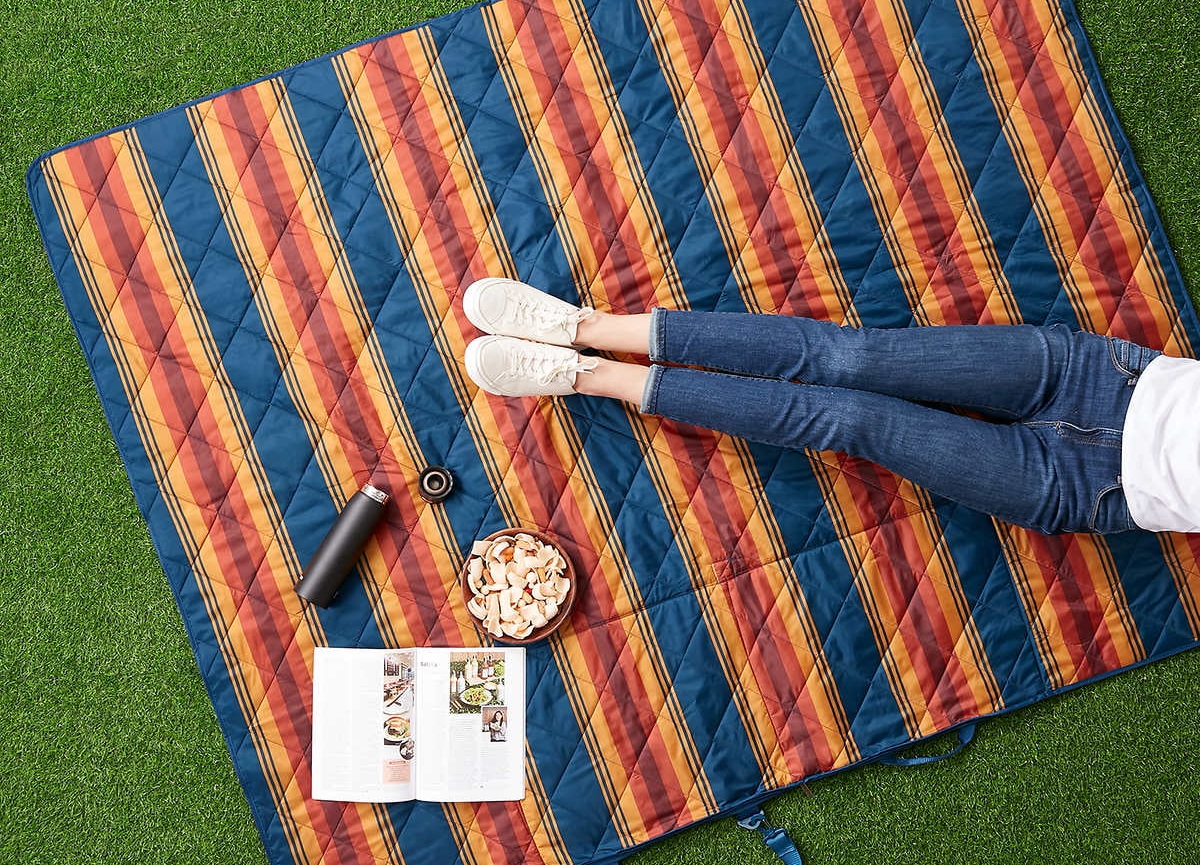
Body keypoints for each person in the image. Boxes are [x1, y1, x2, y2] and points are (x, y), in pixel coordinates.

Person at [459, 278, 1200, 537]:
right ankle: (585, 326)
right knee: (852, 358)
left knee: (851, 420)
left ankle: (586, 376)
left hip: (1093, 492)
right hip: (1108, 381)